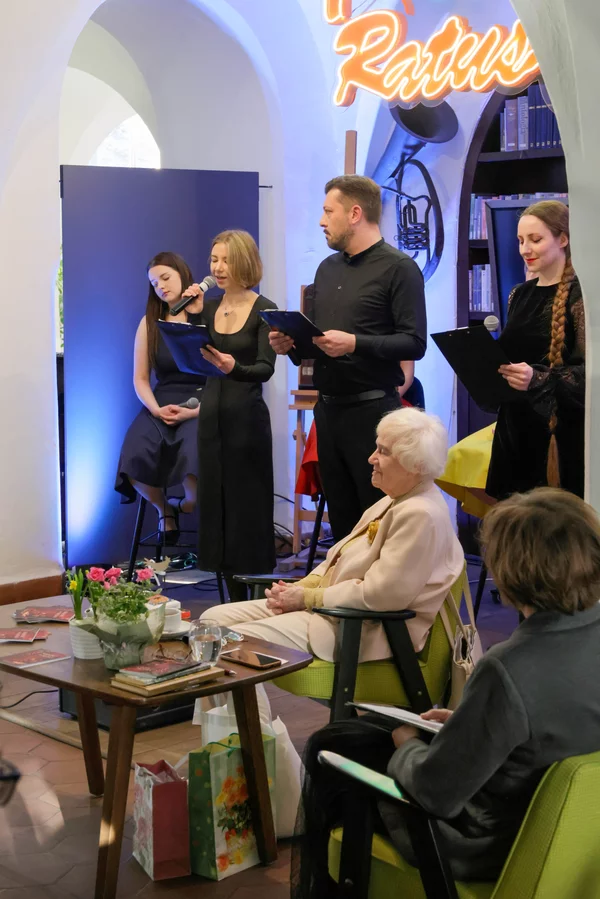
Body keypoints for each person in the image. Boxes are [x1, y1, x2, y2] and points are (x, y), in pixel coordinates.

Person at [294, 487, 600, 895]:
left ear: (510, 571)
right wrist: (469, 721)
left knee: (333, 749)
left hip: (485, 845)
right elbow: (558, 724)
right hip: (577, 836)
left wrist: (407, 744)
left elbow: (434, 792)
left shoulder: (509, 667)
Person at [200, 407, 463, 667]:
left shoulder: (420, 514)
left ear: (414, 465)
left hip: (357, 626)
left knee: (232, 641)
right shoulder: (394, 500)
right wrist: (299, 588)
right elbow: (337, 559)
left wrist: (307, 598)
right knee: (212, 621)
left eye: (383, 452)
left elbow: (381, 596)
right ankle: (236, 697)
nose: (371, 458)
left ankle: (248, 696)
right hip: (331, 609)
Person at [269, 175, 427, 542]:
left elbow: (414, 343)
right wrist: (290, 344)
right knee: (341, 523)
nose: (321, 221)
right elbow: (319, 342)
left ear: (355, 214)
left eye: (328, 212)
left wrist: (355, 343)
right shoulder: (327, 269)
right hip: (327, 411)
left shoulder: (400, 268)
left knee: (376, 524)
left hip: (373, 413)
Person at [182, 231, 277, 601]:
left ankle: (255, 599)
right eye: (213, 260)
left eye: (226, 260)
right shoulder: (208, 307)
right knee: (216, 506)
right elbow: (196, 356)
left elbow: (265, 368)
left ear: (244, 262)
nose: (218, 268)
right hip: (211, 420)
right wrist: (193, 316)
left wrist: (233, 366)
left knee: (246, 509)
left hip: (246, 422)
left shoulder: (265, 309)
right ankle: (229, 601)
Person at [486, 200, 585, 500]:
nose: (524, 249)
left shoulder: (582, 297)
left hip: (560, 434)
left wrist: (538, 378)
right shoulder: (519, 294)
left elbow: (590, 375)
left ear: (563, 239)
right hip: (513, 428)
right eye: (520, 241)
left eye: (535, 239)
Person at [114, 251, 205, 542]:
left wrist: (197, 411)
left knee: (194, 451)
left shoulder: (207, 316)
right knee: (134, 451)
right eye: (154, 283)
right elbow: (140, 379)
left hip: (201, 401)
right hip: (161, 401)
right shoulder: (149, 323)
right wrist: (154, 409)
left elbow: (222, 374)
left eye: (165, 278)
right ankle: (164, 509)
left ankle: (187, 504)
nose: (161, 286)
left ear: (183, 274)